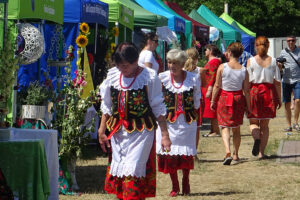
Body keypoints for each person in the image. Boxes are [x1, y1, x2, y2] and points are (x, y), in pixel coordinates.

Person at [98, 42, 171, 200]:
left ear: (135, 61)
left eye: (125, 66)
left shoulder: (149, 77)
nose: (122, 70)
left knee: (134, 171)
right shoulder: (112, 75)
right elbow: (107, 106)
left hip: (141, 133)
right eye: (119, 66)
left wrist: (165, 135)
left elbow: (158, 107)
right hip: (118, 133)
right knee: (121, 173)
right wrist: (102, 130)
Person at [156, 49, 201, 197]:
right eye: (169, 62)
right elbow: (156, 99)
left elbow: (197, 99)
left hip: (187, 122)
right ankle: (175, 185)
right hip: (168, 123)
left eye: (175, 63)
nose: (171, 65)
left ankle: (186, 181)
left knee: (186, 154)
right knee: (170, 154)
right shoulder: (162, 78)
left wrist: (194, 111)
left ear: (182, 64)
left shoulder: (193, 78)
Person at [210, 42, 250, 165]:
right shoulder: (244, 70)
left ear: (230, 53)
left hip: (224, 98)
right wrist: (248, 106)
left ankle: (227, 151)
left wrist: (213, 100)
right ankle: (236, 154)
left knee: (225, 126)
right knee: (236, 128)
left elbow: (217, 85)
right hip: (238, 98)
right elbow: (246, 91)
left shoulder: (222, 67)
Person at [247, 36, 281, 159]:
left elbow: (247, 81)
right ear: (268, 46)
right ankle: (261, 153)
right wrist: (279, 99)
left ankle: (256, 138)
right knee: (265, 126)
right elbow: (277, 82)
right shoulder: (273, 61)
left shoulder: (251, 60)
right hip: (268, 93)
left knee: (253, 122)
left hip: (254, 93)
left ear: (256, 45)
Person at [277, 35, 300, 132]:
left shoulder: (299, 52)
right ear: (286, 42)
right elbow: (279, 68)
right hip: (286, 80)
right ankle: (289, 126)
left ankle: (296, 123)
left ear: (296, 41)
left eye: (293, 40)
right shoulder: (283, 52)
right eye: (289, 41)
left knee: (298, 100)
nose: (291, 42)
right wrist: (280, 65)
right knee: (287, 103)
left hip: (298, 79)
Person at [184, 47, 203, 160]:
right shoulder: (200, 70)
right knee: (195, 128)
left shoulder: (181, 70)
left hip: (183, 100)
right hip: (196, 101)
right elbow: (203, 86)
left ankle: (184, 152)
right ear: (196, 58)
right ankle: (194, 153)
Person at [201, 44, 222, 137]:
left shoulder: (214, 61)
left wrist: (210, 88)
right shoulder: (213, 61)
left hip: (210, 88)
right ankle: (212, 130)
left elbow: (213, 76)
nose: (205, 51)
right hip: (207, 87)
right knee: (210, 110)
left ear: (210, 51)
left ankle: (216, 130)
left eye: (206, 50)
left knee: (212, 109)